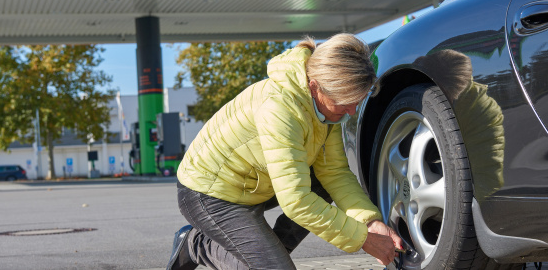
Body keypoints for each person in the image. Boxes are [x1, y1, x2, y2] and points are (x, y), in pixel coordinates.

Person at [167, 33, 403, 270]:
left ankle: (266, 256)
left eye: (356, 102)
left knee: (321, 186)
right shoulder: (279, 108)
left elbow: (334, 172)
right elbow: (296, 201)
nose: (351, 111)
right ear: (314, 87)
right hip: (209, 193)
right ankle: (197, 244)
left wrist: (369, 222)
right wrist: (362, 239)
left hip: (253, 184)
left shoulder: (324, 109)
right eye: (345, 102)